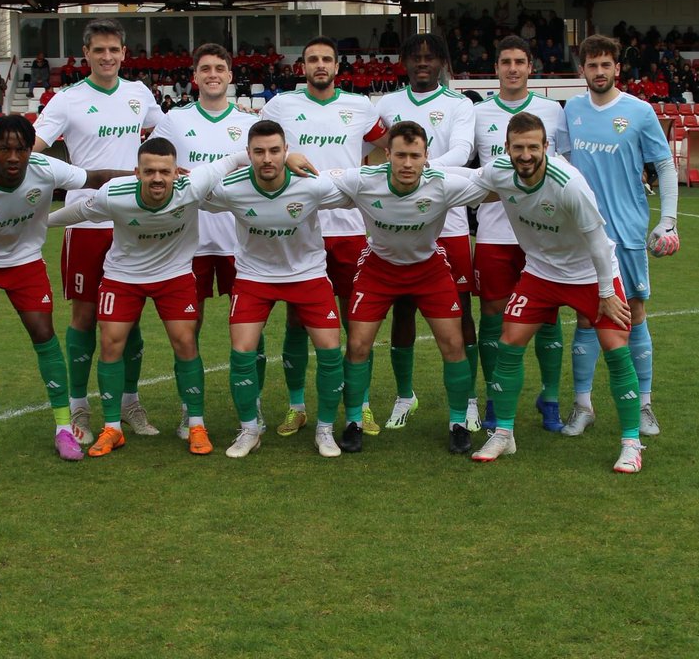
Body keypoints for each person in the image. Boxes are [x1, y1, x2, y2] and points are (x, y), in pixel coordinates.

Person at [47, 138, 300, 457]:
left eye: (164, 171)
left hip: (174, 275)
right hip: (123, 276)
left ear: (176, 171)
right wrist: (39, 224)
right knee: (111, 343)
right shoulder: (115, 193)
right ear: (137, 172)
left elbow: (235, 158)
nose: (157, 178)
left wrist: (288, 157)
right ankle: (112, 428)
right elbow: (80, 211)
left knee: (185, 342)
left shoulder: (193, 186)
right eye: (149, 171)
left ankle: (196, 424)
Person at [0, 116, 131, 466]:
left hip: (24, 261)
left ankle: (64, 429)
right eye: (4, 148)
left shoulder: (46, 168)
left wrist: (144, 175)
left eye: (21, 149)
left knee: (43, 333)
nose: (13, 157)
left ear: (30, 150)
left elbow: (96, 178)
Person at [459, 113, 644, 472]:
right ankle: (504, 434)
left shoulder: (568, 183)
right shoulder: (500, 171)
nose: (525, 155)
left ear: (546, 147)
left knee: (616, 350)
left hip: (591, 274)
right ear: (507, 148)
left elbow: (598, 242)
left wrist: (607, 293)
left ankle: (632, 443)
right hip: (541, 272)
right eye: (518, 148)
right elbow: (467, 181)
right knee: (509, 343)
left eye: (533, 147)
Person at [31, 19, 165, 444]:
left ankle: (129, 401)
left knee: (132, 314)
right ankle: (78, 408)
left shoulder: (138, 94)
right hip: (86, 222)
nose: (108, 57)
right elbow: (33, 152)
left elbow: (166, 135)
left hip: (133, 220)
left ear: (124, 53)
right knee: (86, 316)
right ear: (85, 54)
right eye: (99, 50)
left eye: (114, 50)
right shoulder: (66, 101)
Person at [326, 122, 488, 453]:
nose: (408, 163)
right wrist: (291, 160)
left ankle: (458, 422)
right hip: (378, 269)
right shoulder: (364, 180)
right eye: (401, 155)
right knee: (357, 345)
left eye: (415, 156)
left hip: (428, 269)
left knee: (453, 343)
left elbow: (494, 184)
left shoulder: (443, 184)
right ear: (387, 155)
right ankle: (354, 420)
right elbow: (318, 182)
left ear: (427, 156)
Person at [258, 36, 388, 436]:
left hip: (349, 229)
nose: (319, 65)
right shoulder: (281, 106)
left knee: (356, 321)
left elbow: (385, 144)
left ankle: (359, 405)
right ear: (302, 67)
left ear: (337, 66)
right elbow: (259, 145)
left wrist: (364, 174)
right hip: (299, 227)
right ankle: (297, 406)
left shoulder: (360, 106)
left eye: (326, 59)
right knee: (297, 321)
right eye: (312, 58)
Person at [202, 120, 352, 458]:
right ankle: (249, 430)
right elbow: (194, 187)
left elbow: (358, 186)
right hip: (255, 277)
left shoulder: (312, 184)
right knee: (241, 352)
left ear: (286, 152)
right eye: (258, 152)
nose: (266, 158)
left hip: (308, 274)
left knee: (330, 351)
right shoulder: (231, 187)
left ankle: (325, 430)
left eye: (274, 151)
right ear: (248, 155)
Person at [557, 34, 679, 439]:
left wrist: (669, 220)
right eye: (592, 66)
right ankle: (583, 406)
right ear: (582, 71)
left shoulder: (639, 112)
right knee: (586, 316)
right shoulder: (571, 110)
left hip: (626, 232)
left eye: (606, 65)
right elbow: (560, 163)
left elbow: (664, 166)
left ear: (617, 69)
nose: (599, 72)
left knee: (635, 313)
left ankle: (644, 405)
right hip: (582, 234)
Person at [150, 43, 265, 439]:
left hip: (241, 242)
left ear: (231, 76)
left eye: (220, 68)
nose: (212, 74)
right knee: (188, 329)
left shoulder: (252, 124)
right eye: (205, 69)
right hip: (190, 241)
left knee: (253, 327)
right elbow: (154, 165)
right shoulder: (173, 121)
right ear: (194, 76)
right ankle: (189, 409)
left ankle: (254, 406)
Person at [374, 33, 478, 431]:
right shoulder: (387, 104)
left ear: (442, 63)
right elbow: (378, 152)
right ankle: (405, 395)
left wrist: (420, 175)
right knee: (403, 307)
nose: (422, 63)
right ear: (404, 61)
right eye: (415, 57)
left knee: (462, 311)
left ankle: (467, 399)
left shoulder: (459, 104)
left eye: (430, 57)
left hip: (447, 221)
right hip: (401, 220)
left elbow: (463, 151)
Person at [472, 34, 569, 431]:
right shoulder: (476, 113)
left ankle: (550, 398)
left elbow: (564, 171)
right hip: (494, 234)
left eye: (520, 62)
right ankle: (497, 398)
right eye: (505, 61)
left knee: (547, 315)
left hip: (543, 234)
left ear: (531, 67)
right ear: (495, 68)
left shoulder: (552, 111)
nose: (512, 68)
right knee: (493, 314)